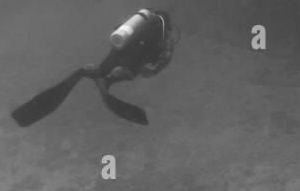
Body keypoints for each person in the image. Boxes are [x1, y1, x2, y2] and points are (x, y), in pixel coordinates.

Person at [11, 8, 178, 127]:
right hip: (135, 57)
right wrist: (147, 70)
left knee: (102, 69)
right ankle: (108, 80)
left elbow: (118, 31)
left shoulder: (140, 23)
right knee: (126, 72)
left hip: (118, 48)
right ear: (168, 26)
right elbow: (161, 62)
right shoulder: (166, 36)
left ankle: (89, 71)